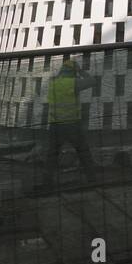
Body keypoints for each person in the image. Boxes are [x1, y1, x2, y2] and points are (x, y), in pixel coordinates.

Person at [45, 57, 97, 186]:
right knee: (83, 152)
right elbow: (92, 81)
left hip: (55, 125)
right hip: (72, 124)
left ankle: (47, 182)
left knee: (52, 155)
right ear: (73, 71)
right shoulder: (73, 82)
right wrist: (81, 71)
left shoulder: (53, 83)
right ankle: (92, 179)